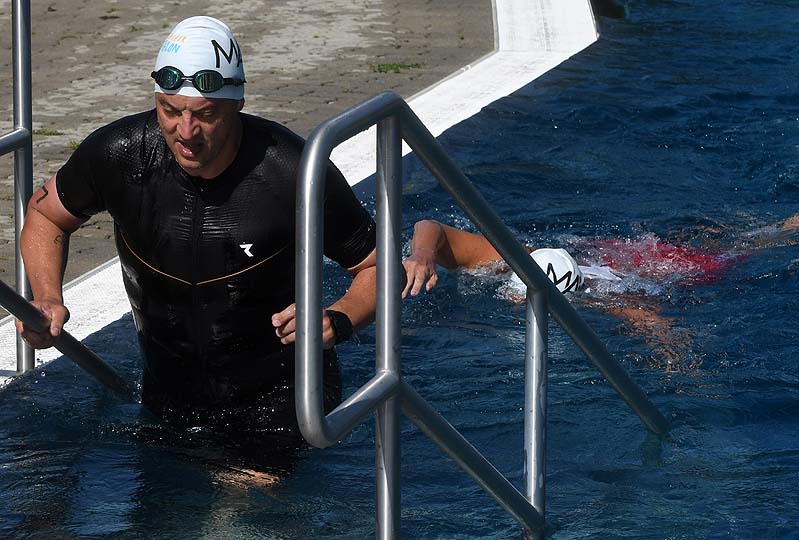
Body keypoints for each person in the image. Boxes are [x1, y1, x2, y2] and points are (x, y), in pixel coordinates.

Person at [16, 16, 377, 477]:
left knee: (239, 504)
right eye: (170, 111)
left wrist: (339, 318)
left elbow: (380, 265)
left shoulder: (293, 172)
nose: (186, 131)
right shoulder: (120, 153)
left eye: (205, 115)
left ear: (237, 103)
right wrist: (48, 295)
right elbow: (46, 215)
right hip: (168, 400)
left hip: (279, 398)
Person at [402, 219, 740, 372]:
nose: (516, 303)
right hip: (594, 255)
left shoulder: (601, 297)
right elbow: (431, 226)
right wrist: (423, 254)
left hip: (629, 272)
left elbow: (648, 320)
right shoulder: (508, 259)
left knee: (722, 258)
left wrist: (674, 354)